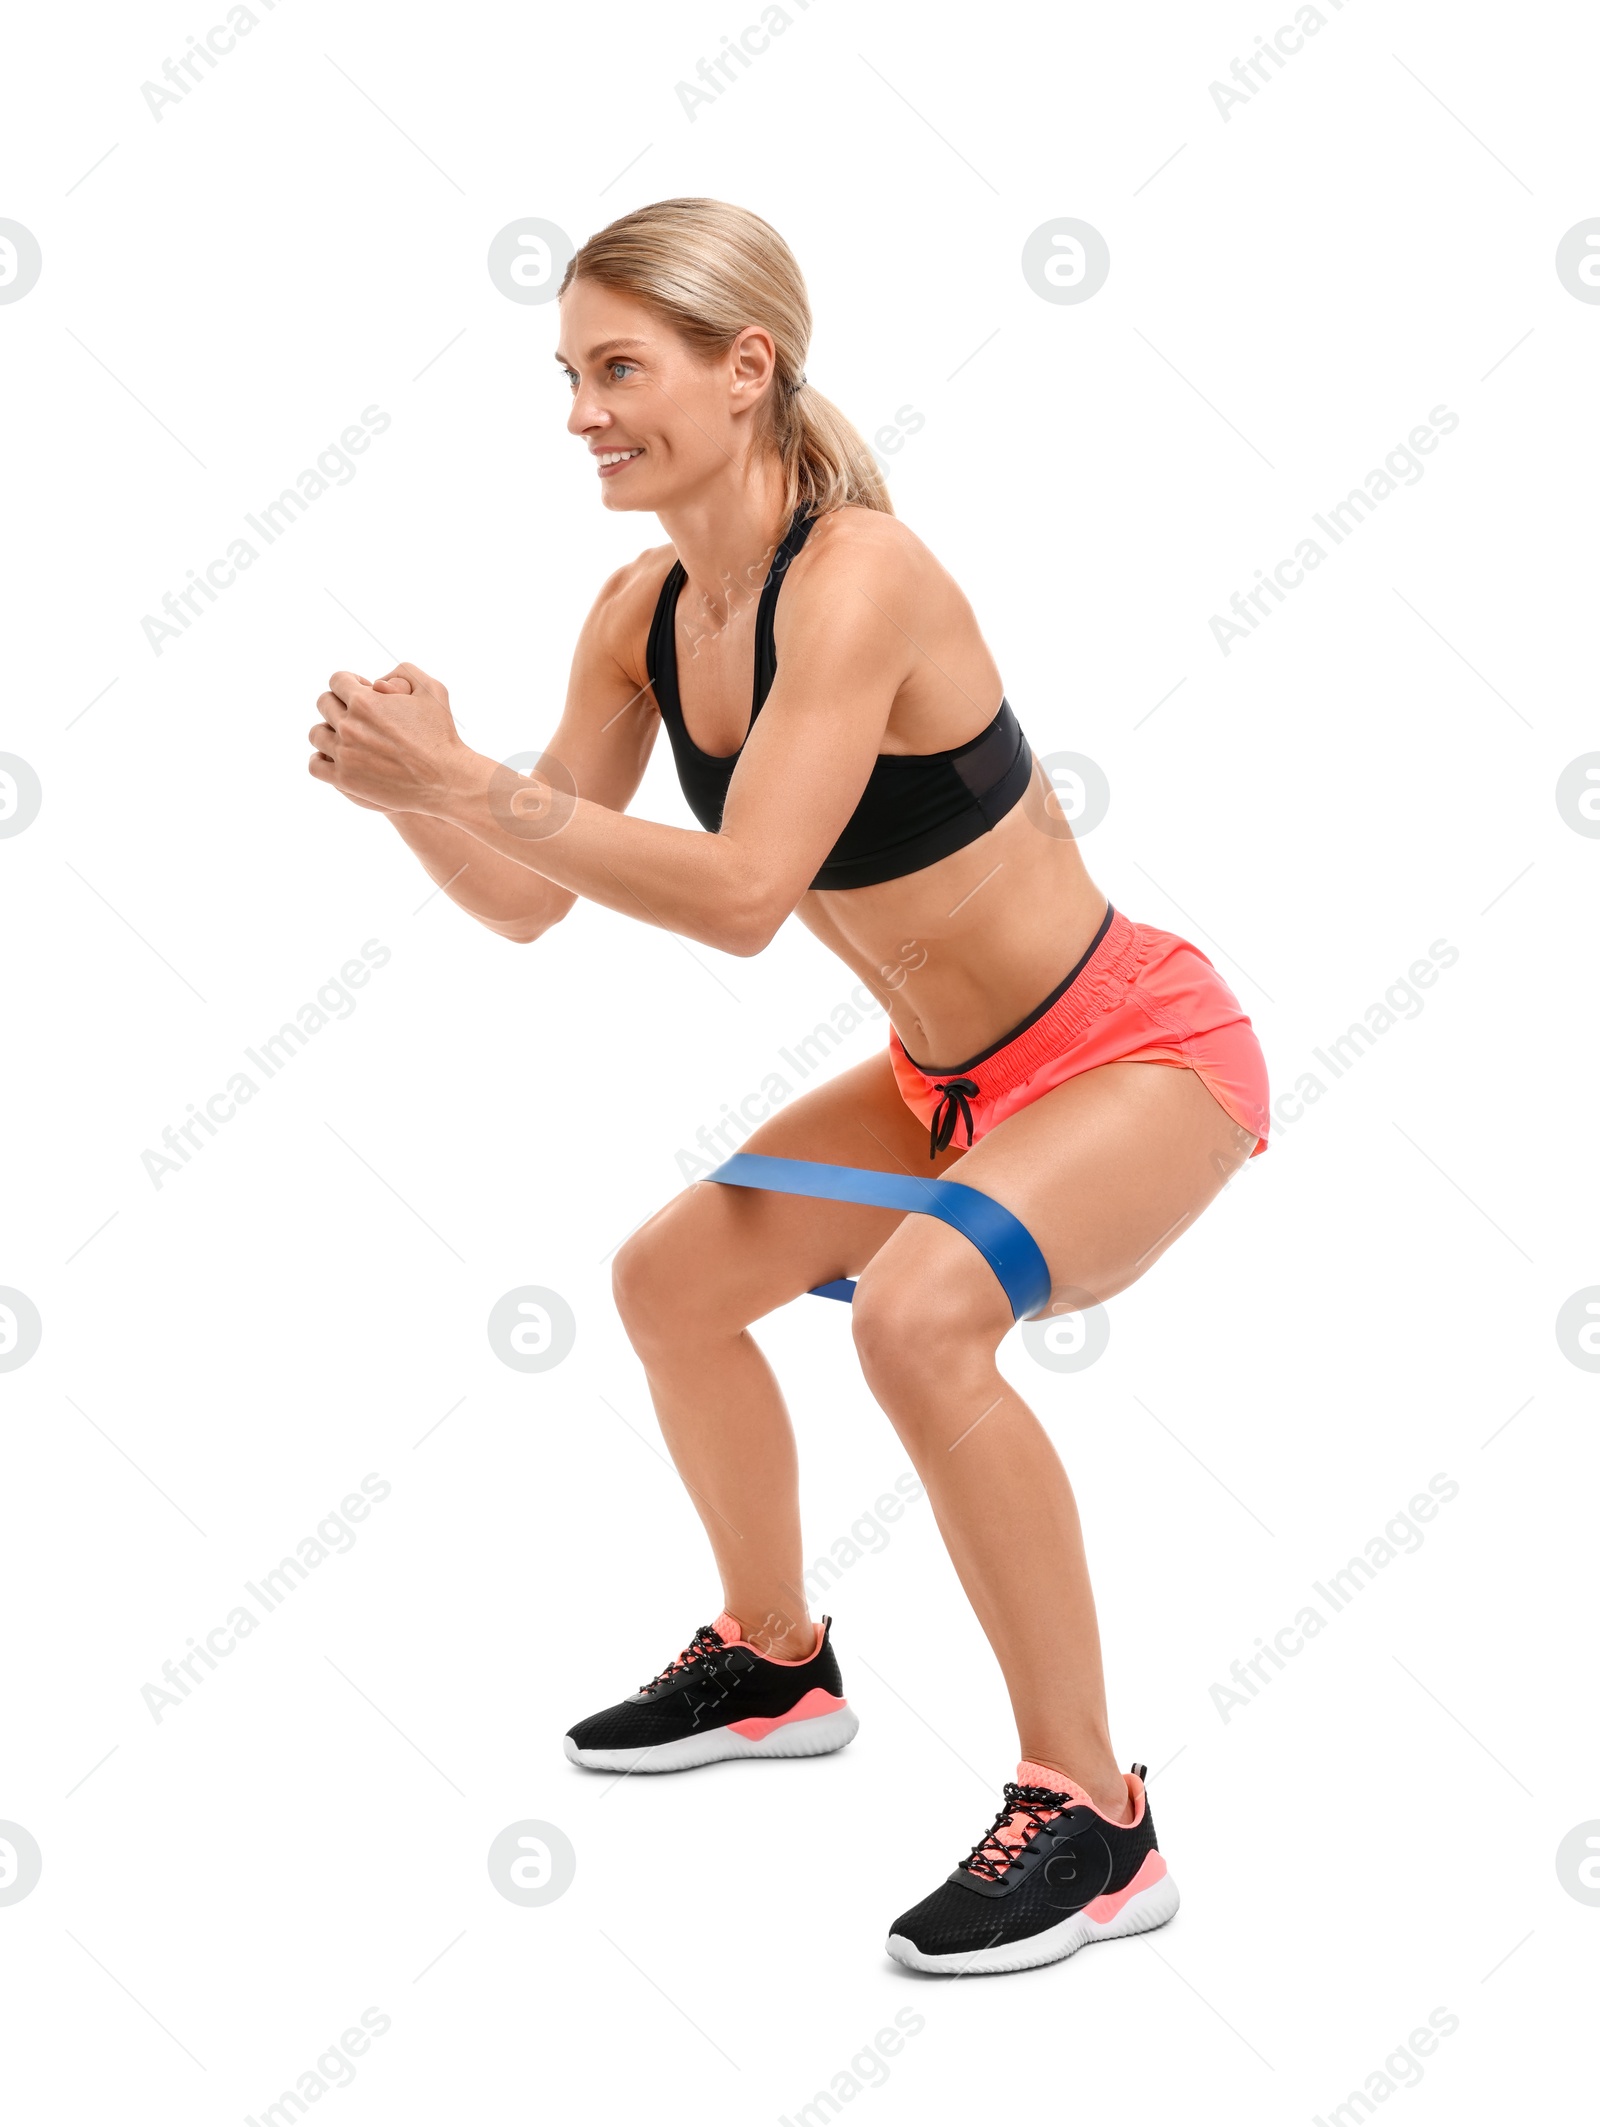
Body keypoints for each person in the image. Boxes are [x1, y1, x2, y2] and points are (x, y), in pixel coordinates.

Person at [307, 197, 1270, 1977]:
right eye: (571, 374)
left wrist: (469, 778)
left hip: (1138, 1048)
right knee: (670, 1282)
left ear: (746, 369)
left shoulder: (864, 577)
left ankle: (1098, 1813)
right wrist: (422, 799)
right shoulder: (639, 614)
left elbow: (748, 895)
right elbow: (528, 896)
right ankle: (773, 1658)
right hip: (947, 1077)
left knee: (913, 1320)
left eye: (621, 368)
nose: (585, 411)